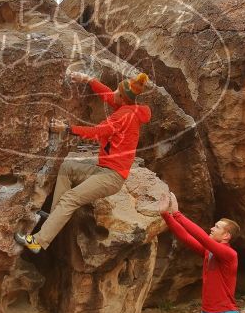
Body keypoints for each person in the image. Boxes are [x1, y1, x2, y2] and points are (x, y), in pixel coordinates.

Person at [14, 71, 151, 253]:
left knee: (71, 198)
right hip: (104, 170)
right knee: (67, 168)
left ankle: (38, 241)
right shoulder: (129, 108)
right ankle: (55, 215)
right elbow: (107, 95)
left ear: (124, 99)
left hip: (112, 177)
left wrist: (67, 128)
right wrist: (88, 80)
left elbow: (96, 133)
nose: (113, 95)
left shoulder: (121, 117)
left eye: (117, 94)